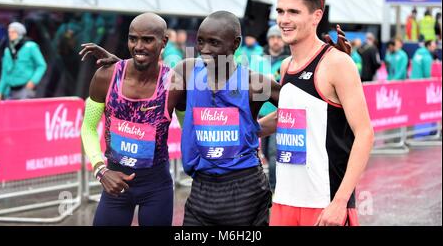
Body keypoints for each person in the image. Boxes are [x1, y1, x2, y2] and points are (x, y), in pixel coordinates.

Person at [79, 12, 351, 226]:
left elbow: (302, 107)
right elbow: (146, 72)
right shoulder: (186, 71)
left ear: (235, 44)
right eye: (200, 42)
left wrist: (328, 63)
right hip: (201, 188)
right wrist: (123, 64)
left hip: (243, 188)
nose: (205, 49)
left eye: (214, 43)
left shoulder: (254, 84)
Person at [259, 0, 374, 226]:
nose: (284, 20)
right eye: (280, 11)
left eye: (293, 12)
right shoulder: (287, 65)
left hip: (324, 204)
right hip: (285, 199)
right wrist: (246, 130)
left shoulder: (337, 63)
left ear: (316, 16)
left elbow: (365, 133)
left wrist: (340, 202)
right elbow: (290, 117)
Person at [80, 13, 175, 226]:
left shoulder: (174, 84)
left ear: (164, 42)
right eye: (133, 39)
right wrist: (100, 170)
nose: (138, 46)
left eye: (148, 40)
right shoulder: (106, 76)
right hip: (114, 185)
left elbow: (192, 129)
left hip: (156, 188)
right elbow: (88, 128)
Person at [259, 24, 290, 189]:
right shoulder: (259, 59)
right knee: (264, 152)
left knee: (274, 152)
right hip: (261, 113)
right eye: (272, 38)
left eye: (279, 37)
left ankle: (274, 188)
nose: (276, 41)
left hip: (280, 114)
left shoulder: (290, 60)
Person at [0, 22, 47, 101]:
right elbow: (5, 73)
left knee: (23, 111)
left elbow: (41, 65)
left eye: (13, 32)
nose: (10, 34)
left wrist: (33, 81)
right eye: (9, 32)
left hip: (25, 89)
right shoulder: (8, 50)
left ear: (19, 33)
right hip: (10, 90)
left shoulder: (30, 46)